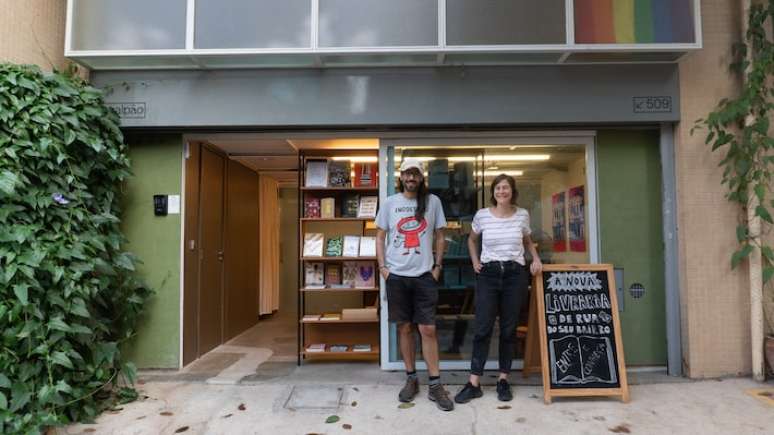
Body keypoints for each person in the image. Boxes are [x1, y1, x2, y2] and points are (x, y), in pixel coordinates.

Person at [454, 174, 542, 403]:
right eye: (498, 188)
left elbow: (527, 240)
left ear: (512, 191)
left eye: (506, 188)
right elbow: (472, 240)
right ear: (493, 192)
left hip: (515, 275)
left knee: (508, 329)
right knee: (482, 327)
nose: (502, 191)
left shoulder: (522, 214)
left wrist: (536, 258)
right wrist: (475, 262)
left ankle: (503, 379)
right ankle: (474, 382)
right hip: (489, 275)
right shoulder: (482, 215)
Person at [375, 157, 454, 412]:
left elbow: (441, 235)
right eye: (407, 174)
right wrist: (383, 268)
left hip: (424, 276)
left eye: (416, 174)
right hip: (396, 276)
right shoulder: (390, 203)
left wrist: (437, 267)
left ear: (421, 178)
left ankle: (435, 383)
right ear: (401, 177)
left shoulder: (433, 202)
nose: (411, 178)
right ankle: (411, 378)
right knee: (404, 328)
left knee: (428, 329)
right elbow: (380, 236)